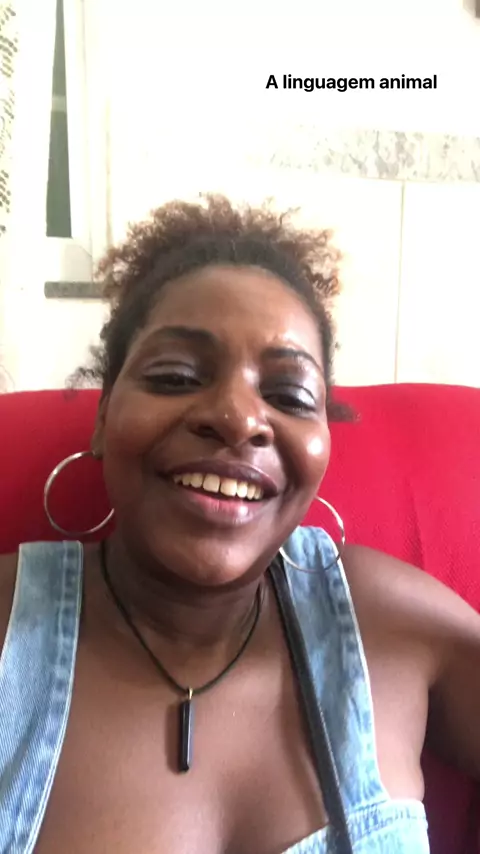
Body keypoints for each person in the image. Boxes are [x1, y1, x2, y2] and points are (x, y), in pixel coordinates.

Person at [0, 195, 479, 854]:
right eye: (175, 377)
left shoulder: (397, 624)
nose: (236, 417)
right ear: (104, 416)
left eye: (288, 395)